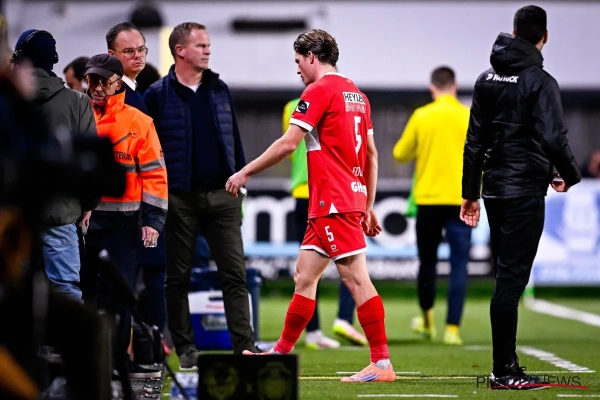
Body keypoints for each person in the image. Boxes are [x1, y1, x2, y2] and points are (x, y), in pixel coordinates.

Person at [226, 29, 395, 382]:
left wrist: (245, 172)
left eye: (299, 61)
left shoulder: (317, 91)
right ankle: (278, 355)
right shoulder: (357, 95)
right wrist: (367, 203)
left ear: (312, 57)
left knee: (356, 279)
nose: (297, 69)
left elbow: (289, 144)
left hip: (334, 201)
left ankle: (381, 364)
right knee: (304, 276)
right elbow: (372, 154)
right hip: (338, 200)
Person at [460, 5, 581, 390]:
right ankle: (503, 370)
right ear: (544, 37)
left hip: (495, 190)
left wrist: (470, 193)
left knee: (505, 278)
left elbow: (474, 142)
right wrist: (571, 174)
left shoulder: (486, 79)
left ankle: (505, 364)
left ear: (513, 33)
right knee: (511, 281)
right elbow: (553, 137)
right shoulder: (540, 82)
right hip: (524, 189)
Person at [143, 22, 260, 369]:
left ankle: (245, 347)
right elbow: (147, 149)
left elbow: (233, 137)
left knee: (235, 274)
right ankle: (186, 349)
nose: (208, 51)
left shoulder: (219, 89)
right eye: (201, 45)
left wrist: (241, 179)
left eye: (208, 45)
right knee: (177, 278)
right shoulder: (157, 95)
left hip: (224, 196)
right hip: (179, 199)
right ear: (180, 50)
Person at [85, 53, 168, 379]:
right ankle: (89, 362)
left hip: (122, 225)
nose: (96, 87)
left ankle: (117, 362)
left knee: (119, 297)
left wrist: (153, 221)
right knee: (85, 295)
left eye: (102, 81)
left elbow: (155, 175)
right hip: (82, 223)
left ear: (118, 83)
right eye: (92, 80)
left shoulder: (139, 122)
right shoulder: (78, 112)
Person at [12, 29, 97, 302]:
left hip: (14, 219)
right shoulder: (78, 102)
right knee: (66, 290)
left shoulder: (7, 101)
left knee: (15, 294)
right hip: (61, 214)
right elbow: (90, 163)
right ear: (53, 59)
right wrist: (87, 205)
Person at [393, 66, 471, 346]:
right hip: (461, 200)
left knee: (427, 262)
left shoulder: (421, 116)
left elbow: (400, 153)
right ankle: (453, 329)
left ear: (432, 88)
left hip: (427, 200)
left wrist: (424, 147)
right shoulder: (468, 115)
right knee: (459, 265)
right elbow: (486, 157)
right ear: (455, 86)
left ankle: (427, 322)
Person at [283, 98, 367, 349]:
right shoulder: (344, 103)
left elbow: (292, 146)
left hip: (302, 191)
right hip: (330, 192)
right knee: (350, 263)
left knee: (307, 270)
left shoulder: (292, 106)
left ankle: (313, 332)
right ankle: (344, 319)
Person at [106, 22, 148, 114]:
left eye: (141, 49)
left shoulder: (128, 89)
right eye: (128, 51)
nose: (137, 55)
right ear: (111, 55)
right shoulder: (115, 96)